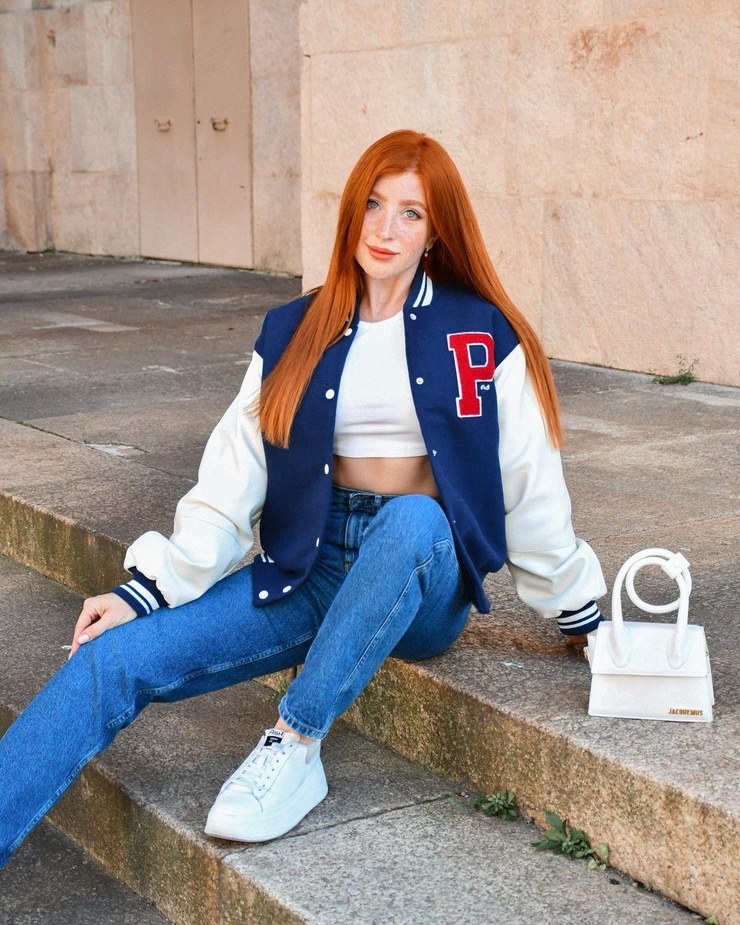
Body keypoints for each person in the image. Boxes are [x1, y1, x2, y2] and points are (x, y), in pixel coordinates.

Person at [0, 129, 606, 865]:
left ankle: (295, 740)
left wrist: (582, 613)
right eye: (373, 204)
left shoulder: (480, 333)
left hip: (423, 575)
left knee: (413, 519)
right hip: (309, 566)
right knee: (110, 659)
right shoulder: (294, 329)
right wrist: (148, 588)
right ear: (351, 210)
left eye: (411, 213)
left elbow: (531, 483)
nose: (386, 228)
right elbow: (234, 471)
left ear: (437, 231)